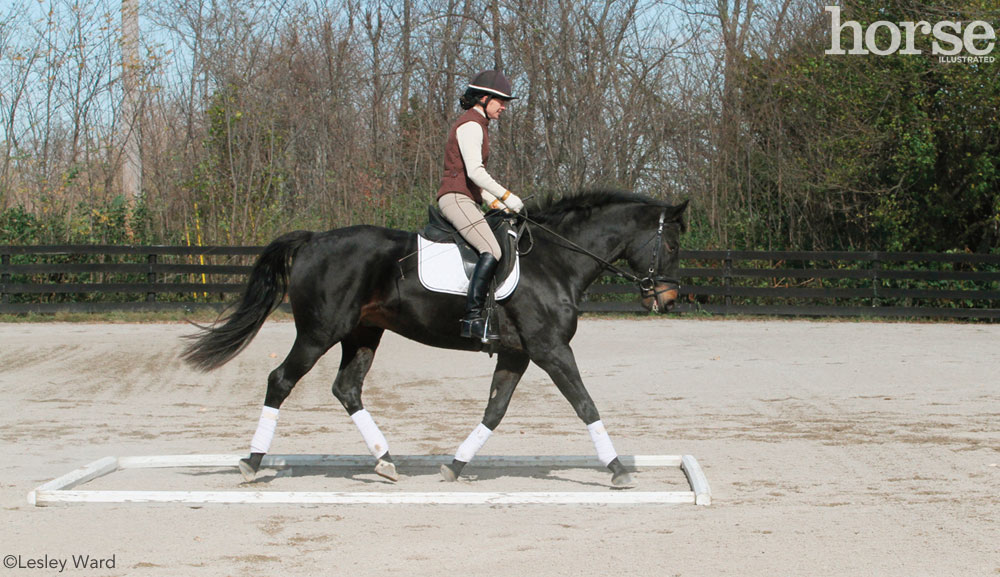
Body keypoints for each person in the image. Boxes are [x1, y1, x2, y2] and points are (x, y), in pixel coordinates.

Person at [437, 70, 524, 341]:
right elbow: (475, 173)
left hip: (467, 196)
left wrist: (494, 201)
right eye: (500, 101)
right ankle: (472, 318)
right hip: (455, 198)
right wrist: (508, 196)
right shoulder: (472, 125)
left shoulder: (479, 125)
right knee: (491, 249)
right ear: (484, 98)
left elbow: (472, 179)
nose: (504, 107)